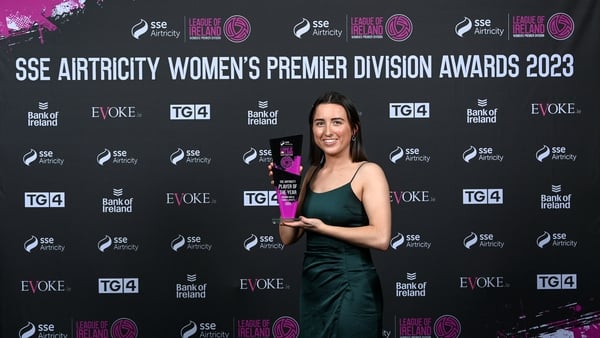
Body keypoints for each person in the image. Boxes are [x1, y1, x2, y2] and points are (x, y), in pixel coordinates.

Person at [268, 91, 392, 337]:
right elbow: (287, 237)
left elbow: (381, 237)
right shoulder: (311, 174)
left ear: (353, 129)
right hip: (314, 288)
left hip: (353, 288)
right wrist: (286, 193)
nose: (327, 131)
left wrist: (323, 228)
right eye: (319, 123)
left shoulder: (368, 172)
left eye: (337, 122)